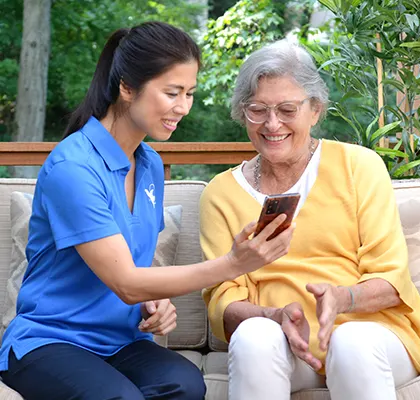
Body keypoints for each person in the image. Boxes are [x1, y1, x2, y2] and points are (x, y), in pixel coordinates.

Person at [0, 22, 294, 400]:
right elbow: (125, 281)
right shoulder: (73, 168)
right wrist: (233, 264)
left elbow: (137, 269)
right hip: (49, 343)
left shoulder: (150, 164)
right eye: (172, 92)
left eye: (189, 93)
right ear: (126, 87)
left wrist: (153, 302)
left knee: (185, 384)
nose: (183, 107)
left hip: (118, 342)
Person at [200, 39, 420, 400]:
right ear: (243, 113)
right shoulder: (221, 193)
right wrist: (274, 317)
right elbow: (222, 301)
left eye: (287, 109)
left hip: (372, 333)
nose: (272, 124)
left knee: (351, 343)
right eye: (258, 109)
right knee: (254, 336)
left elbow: (390, 276)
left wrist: (342, 298)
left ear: (316, 109)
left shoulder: (359, 166)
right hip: (288, 345)